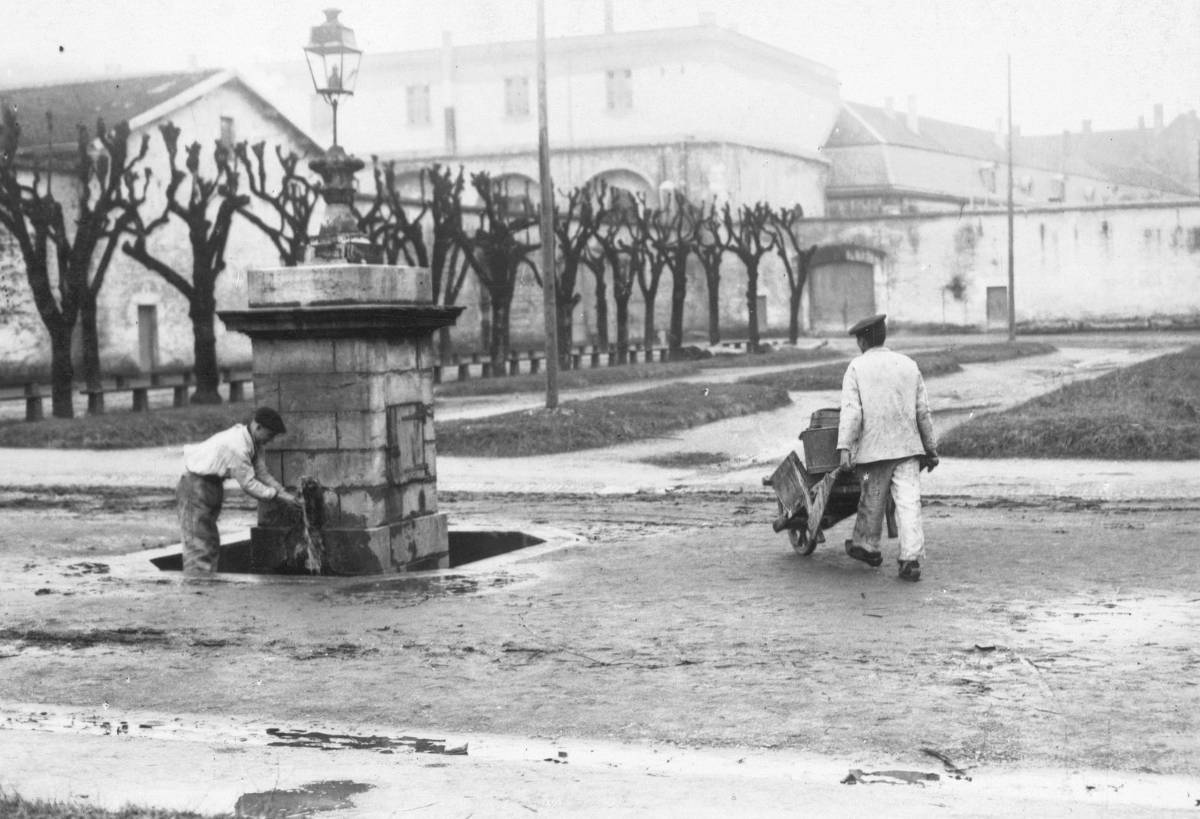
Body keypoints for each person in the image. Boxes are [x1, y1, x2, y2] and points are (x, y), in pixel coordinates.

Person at [835, 314, 939, 581]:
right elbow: (922, 412)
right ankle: (910, 560)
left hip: (873, 454)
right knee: (908, 503)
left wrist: (845, 447)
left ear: (861, 341)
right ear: (883, 336)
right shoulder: (908, 364)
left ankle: (867, 545)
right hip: (907, 450)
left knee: (872, 492)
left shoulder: (856, 368)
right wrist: (931, 449)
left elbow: (852, 412)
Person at [177, 406, 301, 577]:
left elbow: (261, 473)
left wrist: (284, 493)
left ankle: (204, 589)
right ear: (258, 427)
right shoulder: (237, 446)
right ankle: (197, 592)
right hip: (195, 485)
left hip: (212, 485)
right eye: (270, 435)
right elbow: (249, 484)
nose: (270, 440)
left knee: (210, 542)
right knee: (198, 545)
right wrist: (278, 496)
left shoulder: (253, 442)